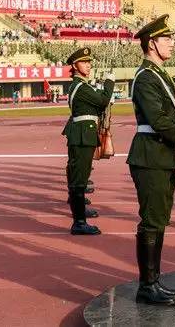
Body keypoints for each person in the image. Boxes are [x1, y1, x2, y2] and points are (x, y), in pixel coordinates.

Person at [128, 15, 175, 306]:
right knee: (152, 220)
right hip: (151, 154)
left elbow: (167, 114)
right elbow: (156, 119)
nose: (172, 42)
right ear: (152, 43)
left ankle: (153, 281)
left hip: (161, 155)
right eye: (167, 38)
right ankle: (147, 285)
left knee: (159, 218)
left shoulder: (159, 75)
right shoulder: (146, 76)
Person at [62, 47, 115, 236]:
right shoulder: (80, 86)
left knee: (81, 176)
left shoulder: (82, 86)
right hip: (82, 135)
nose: (89, 65)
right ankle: (79, 222)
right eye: (85, 62)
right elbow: (102, 102)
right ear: (75, 66)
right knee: (79, 178)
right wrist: (109, 82)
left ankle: (80, 213)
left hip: (84, 134)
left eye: (89, 62)